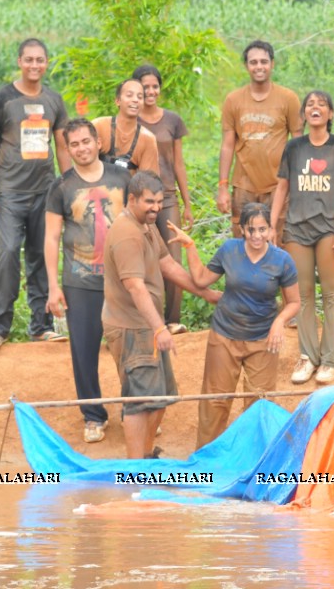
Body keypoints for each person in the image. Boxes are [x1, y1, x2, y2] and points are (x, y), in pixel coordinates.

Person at [102, 171, 219, 459]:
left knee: (161, 398)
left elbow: (166, 263)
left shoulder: (146, 225)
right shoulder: (127, 233)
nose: (156, 207)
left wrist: (207, 294)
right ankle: (135, 470)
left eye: (159, 201)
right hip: (132, 328)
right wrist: (160, 328)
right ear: (132, 199)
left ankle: (146, 457)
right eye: (149, 202)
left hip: (147, 327)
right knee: (141, 401)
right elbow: (135, 287)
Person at [166, 204, 300, 450]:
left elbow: (294, 302)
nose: (257, 235)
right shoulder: (230, 250)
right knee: (215, 400)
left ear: (271, 229)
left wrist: (279, 322)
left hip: (262, 339)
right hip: (225, 334)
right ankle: (207, 456)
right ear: (242, 230)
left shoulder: (282, 261)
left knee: (260, 402)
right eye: (251, 230)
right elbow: (202, 279)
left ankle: (252, 459)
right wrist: (190, 246)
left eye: (263, 229)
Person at [0, 38, 71, 348]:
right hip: (9, 193)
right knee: (7, 254)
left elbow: (62, 145)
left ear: (46, 63)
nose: (34, 65)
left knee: (42, 257)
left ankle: (41, 326)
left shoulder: (54, 100)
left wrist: (70, 186)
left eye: (40, 60)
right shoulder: (2, 98)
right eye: (28, 59)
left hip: (45, 192)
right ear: (19, 61)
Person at [43, 119, 130, 444]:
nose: (81, 149)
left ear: (97, 142)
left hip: (123, 280)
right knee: (83, 351)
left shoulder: (121, 178)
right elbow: (51, 238)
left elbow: (139, 224)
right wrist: (53, 286)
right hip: (79, 282)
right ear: (67, 149)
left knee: (129, 347)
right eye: (74, 144)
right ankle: (94, 416)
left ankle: (136, 408)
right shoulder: (61, 187)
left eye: (85, 142)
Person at [270, 90, 334, 385]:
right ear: (304, 114)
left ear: (330, 114)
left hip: (329, 229)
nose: (315, 108)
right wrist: (272, 225)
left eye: (321, 104)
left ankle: (331, 359)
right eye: (310, 104)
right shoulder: (294, 147)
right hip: (296, 228)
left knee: (331, 294)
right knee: (302, 295)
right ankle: (308, 357)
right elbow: (282, 188)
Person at [217, 40, 303, 239]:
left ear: (272, 64)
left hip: (278, 186)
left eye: (263, 61)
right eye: (253, 62)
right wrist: (223, 186)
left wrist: (297, 185)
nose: (259, 67)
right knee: (242, 239)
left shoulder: (288, 98)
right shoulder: (234, 100)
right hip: (243, 185)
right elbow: (227, 145)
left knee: (276, 239)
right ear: (246, 66)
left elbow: (297, 143)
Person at [133, 64, 194, 335]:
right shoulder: (130, 121)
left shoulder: (173, 120)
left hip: (167, 197)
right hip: (139, 200)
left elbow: (179, 163)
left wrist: (187, 202)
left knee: (173, 256)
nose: (150, 91)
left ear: (160, 88)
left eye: (154, 86)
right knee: (143, 259)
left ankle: (173, 319)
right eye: (144, 87)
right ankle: (149, 319)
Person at [91, 78, 159, 174]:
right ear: (118, 101)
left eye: (139, 97)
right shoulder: (98, 126)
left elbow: (148, 183)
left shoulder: (147, 139)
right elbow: (82, 164)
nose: (135, 100)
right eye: (129, 95)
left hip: (129, 188)